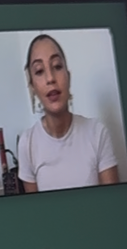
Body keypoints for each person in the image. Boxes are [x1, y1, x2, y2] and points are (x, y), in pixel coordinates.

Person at [16, 34, 120, 192]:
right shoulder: (27, 144)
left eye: (57, 66)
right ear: (33, 87)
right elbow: (34, 207)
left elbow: (113, 201)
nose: (50, 78)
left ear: (68, 77)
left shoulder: (97, 133)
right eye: (39, 71)